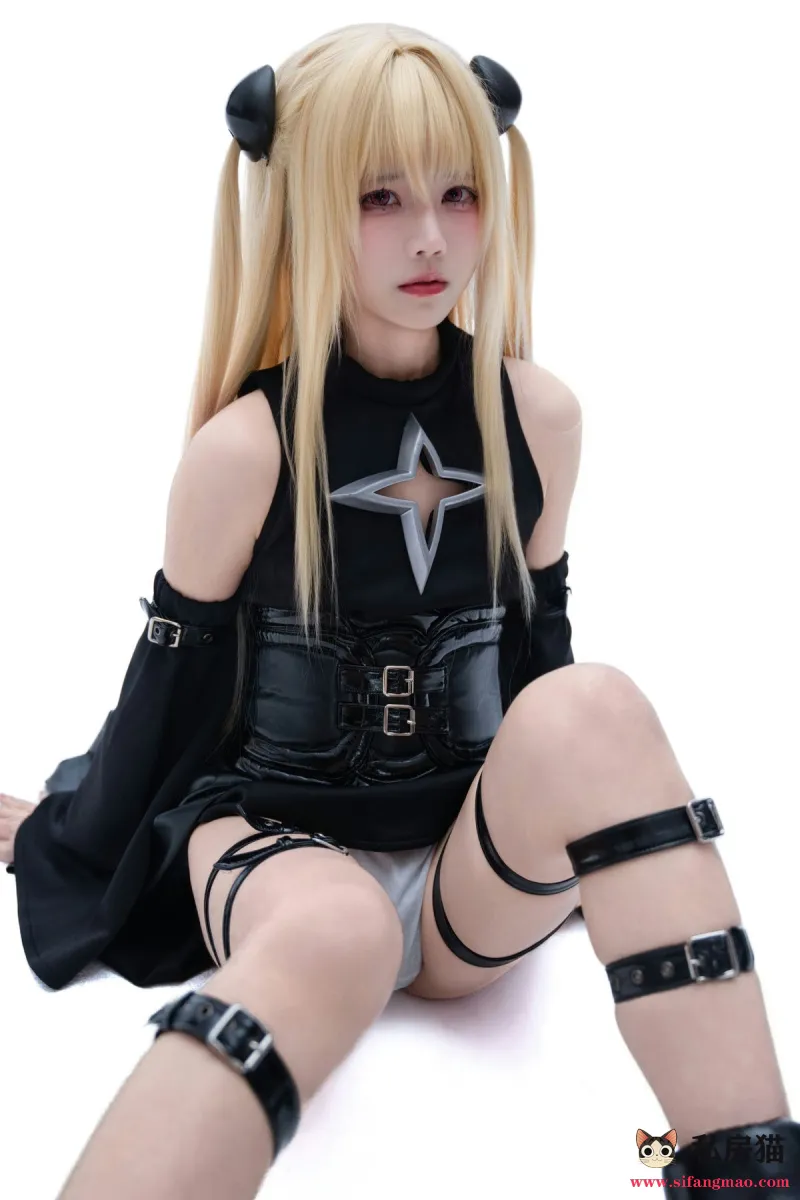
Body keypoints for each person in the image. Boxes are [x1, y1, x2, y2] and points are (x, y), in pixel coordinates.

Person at [1, 22, 797, 1200]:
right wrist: (63, 835)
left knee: (595, 704)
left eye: (457, 191)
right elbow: (165, 691)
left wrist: (600, 847)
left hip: (468, 864)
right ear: (302, 208)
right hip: (277, 846)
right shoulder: (244, 451)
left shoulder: (536, 418)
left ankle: (746, 1178)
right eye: (378, 197)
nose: (429, 236)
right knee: (340, 930)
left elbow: (539, 661)